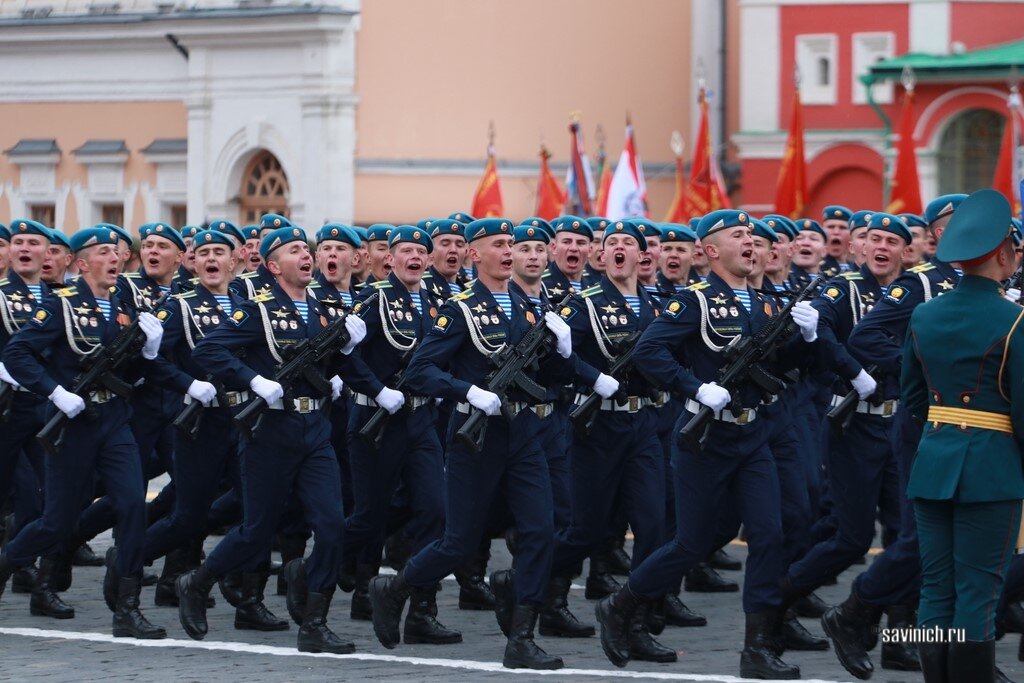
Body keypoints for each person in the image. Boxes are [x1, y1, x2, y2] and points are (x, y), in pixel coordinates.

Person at [595, 209, 820, 679]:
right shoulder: (695, 301)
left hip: (753, 434)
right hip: (705, 440)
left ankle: (756, 649)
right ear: (711, 251)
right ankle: (622, 604)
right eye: (738, 236)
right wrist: (694, 387)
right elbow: (650, 351)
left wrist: (808, 336)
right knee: (691, 543)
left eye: (752, 237)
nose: (750, 243)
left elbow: (783, 367)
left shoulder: (764, 304)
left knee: (769, 534)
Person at [369, 218, 575, 670]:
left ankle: (521, 638)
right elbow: (420, 370)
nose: (508, 250)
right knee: (458, 541)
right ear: (473, 255)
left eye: (512, 244)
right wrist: (467, 391)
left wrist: (563, 351)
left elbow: (551, 379)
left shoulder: (530, 308)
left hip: (523, 434)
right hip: (474, 437)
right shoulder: (460, 309)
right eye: (498, 244)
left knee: (541, 532)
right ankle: (397, 587)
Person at [176, 224, 366, 654]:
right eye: (293, 250)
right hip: (270, 431)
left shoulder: (323, 306)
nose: (305, 254)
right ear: (274, 265)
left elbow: (336, 361)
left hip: (315, 429)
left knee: (332, 525)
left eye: (307, 248)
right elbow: (208, 351)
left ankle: (315, 623)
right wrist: (253, 379)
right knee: (258, 530)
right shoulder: (258, 309)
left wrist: (348, 359)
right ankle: (197, 581)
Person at [0, 225, 166, 639]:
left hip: (115, 422)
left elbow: (134, 371)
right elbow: (18, 353)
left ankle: (127, 609)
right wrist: (54, 392)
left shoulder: (124, 306)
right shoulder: (61, 305)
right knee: (56, 522)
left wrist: (148, 350)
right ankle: (6, 562)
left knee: (130, 505)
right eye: (105, 252)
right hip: (74, 424)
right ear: (80, 262)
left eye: (117, 253)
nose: (116, 259)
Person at [826, 193, 967, 679]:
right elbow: (866, 337)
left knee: (956, 549)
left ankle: (924, 645)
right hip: (925, 424)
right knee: (922, 542)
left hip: (978, 429)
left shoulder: (991, 284)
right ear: (934, 237)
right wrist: (924, 373)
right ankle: (851, 613)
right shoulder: (923, 282)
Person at [901, 189, 1023, 683]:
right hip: (991, 470)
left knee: (936, 589)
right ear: (1001, 254)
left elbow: (912, 397)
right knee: (978, 592)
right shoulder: (1013, 319)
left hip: (933, 460)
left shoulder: (925, 313)